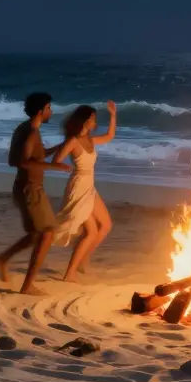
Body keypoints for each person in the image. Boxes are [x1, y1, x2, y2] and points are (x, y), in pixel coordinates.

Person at [0, 92, 70, 295]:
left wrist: (59, 147)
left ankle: (3, 259)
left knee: (37, 235)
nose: (51, 111)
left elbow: (35, 155)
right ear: (41, 110)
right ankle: (27, 286)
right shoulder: (31, 132)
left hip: (27, 188)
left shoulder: (27, 128)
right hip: (30, 189)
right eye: (49, 108)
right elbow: (19, 161)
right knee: (47, 233)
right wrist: (56, 167)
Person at [50, 101, 118, 281]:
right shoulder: (73, 141)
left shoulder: (90, 140)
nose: (95, 123)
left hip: (90, 186)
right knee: (91, 232)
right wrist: (64, 167)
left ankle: (83, 260)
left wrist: (113, 114)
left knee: (105, 225)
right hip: (79, 186)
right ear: (86, 120)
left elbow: (110, 135)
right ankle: (69, 274)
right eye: (94, 119)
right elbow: (56, 160)